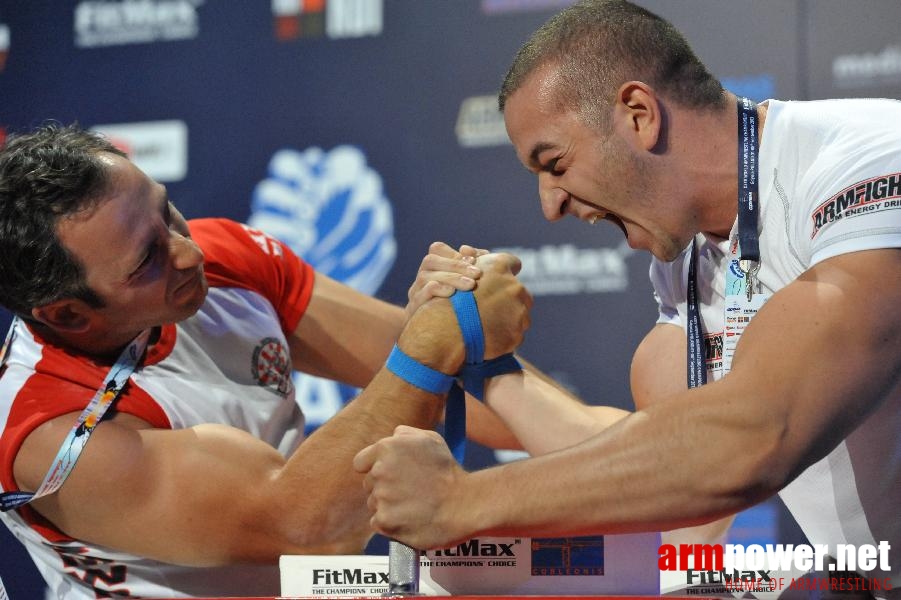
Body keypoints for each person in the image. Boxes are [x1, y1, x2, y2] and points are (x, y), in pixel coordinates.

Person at [353, 0, 901, 592]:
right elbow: (664, 465)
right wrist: (478, 351)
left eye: (554, 163)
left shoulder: (870, 165)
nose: (550, 205)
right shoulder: (687, 257)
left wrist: (464, 500)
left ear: (639, 114)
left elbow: (756, 435)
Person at [0, 123, 535, 598]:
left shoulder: (221, 258)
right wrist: (435, 339)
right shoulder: (50, 434)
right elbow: (307, 531)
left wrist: (604, 451)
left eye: (165, 211)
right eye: (146, 260)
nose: (189, 253)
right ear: (68, 315)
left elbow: (485, 395)